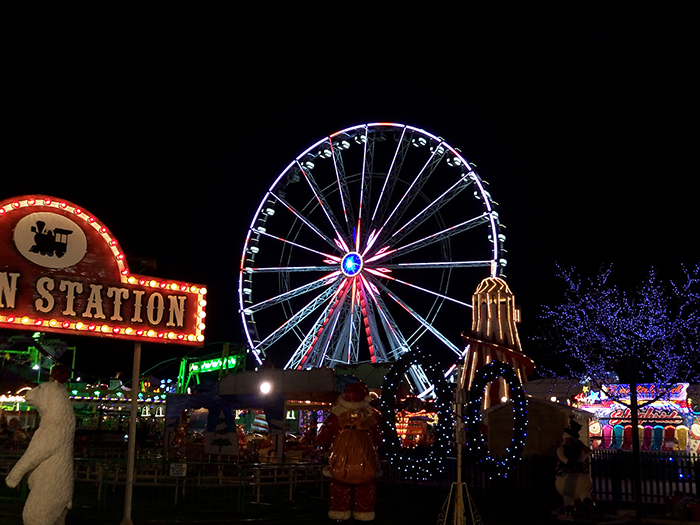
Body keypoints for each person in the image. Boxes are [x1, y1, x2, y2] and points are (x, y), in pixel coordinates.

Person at [318, 382, 382, 521]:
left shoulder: (335, 416)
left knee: (339, 489)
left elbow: (322, 439)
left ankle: (339, 512)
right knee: (365, 490)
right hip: (367, 463)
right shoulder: (373, 416)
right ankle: (363, 513)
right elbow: (382, 439)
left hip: (339, 463)